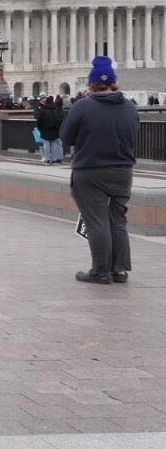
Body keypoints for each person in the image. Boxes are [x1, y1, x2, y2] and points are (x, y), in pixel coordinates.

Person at [61, 56, 140, 285]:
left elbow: (66, 137)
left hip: (90, 170)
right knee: (118, 219)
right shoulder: (129, 107)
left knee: (97, 221)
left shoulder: (82, 106)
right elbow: (134, 133)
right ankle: (119, 270)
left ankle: (100, 271)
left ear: (91, 83)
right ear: (114, 82)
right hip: (123, 171)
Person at [34, 95, 64, 164]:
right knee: (54, 144)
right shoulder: (56, 110)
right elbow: (59, 120)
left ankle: (47, 158)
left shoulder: (43, 110)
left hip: (45, 130)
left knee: (46, 145)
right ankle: (54, 158)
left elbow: (39, 121)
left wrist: (40, 128)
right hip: (54, 130)